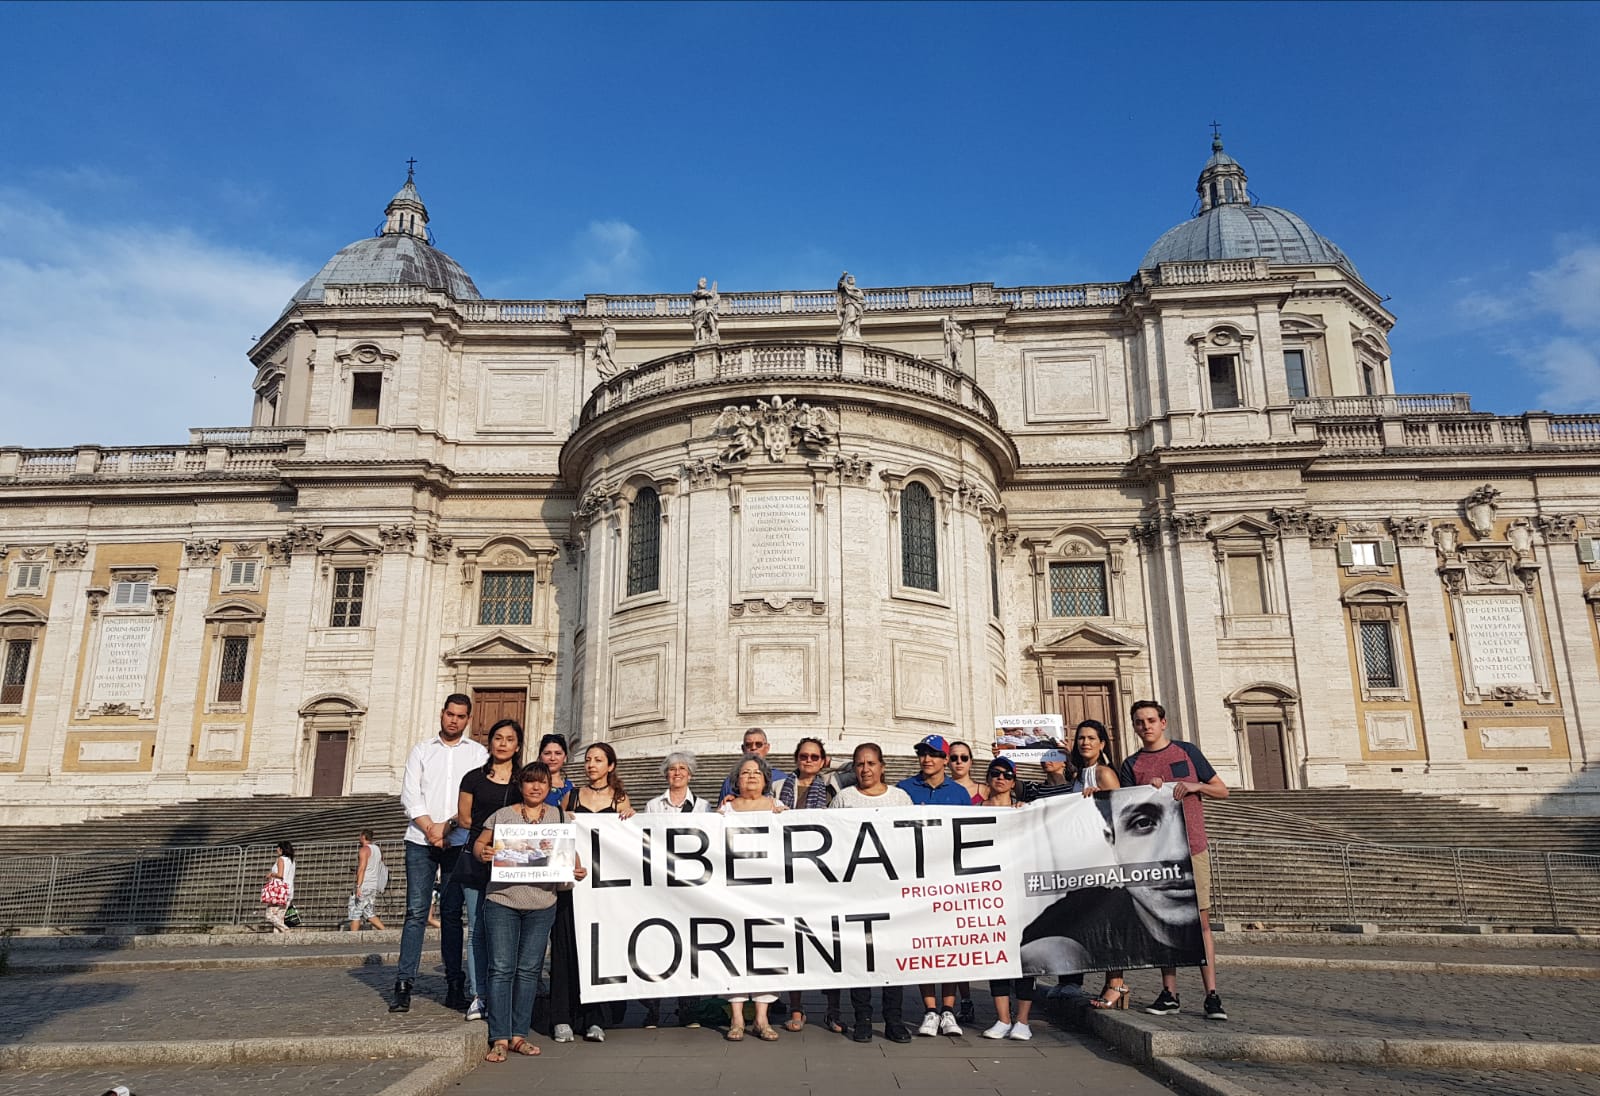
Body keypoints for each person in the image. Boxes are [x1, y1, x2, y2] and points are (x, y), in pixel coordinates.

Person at [1118, 700, 1228, 1021]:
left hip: (1193, 848)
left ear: (1163, 722)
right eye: (1140, 722)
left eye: (1151, 720)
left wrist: (1197, 786)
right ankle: (1170, 993)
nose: (1146, 726)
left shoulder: (1187, 752)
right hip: (1157, 854)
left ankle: (1212, 995)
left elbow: (1222, 790)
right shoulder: (1132, 764)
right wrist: (1146, 793)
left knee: (1202, 923)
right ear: (1135, 726)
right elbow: (1126, 810)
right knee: (1166, 923)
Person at [473, 762, 587, 1063]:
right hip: (503, 900)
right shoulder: (503, 815)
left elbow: (568, 850)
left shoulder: (558, 815)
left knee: (529, 970)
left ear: (550, 787)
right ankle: (499, 1037)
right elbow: (480, 844)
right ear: (520, 785)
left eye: (542, 783)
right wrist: (483, 853)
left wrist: (576, 868)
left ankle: (519, 1035)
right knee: (501, 968)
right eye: (530, 782)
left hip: (542, 902)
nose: (536, 787)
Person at [392, 694, 488, 1014]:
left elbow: (479, 797)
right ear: (441, 713)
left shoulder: (478, 754)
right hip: (420, 840)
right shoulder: (421, 750)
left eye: (461, 717)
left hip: (459, 843)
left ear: (468, 720)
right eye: (450, 714)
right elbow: (410, 793)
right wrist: (430, 828)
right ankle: (404, 983)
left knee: (450, 914)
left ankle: (454, 984)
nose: (454, 721)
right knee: (416, 912)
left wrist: (447, 828)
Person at [550, 742, 633, 1042]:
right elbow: (557, 833)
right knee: (565, 949)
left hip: (604, 890)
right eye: (587, 760)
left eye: (598, 760)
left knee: (598, 951)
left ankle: (594, 1018)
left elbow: (629, 842)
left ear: (610, 765)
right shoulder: (571, 797)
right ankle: (561, 1017)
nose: (591, 764)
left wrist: (632, 820)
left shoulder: (621, 799)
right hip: (573, 886)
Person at [832, 743, 912, 1043]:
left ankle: (894, 1020)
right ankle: (862, 1019)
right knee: (860, 957)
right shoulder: (844, 799)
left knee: (892, 956)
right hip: (856, 891)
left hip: (891, 890)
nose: (865, 769)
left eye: (870, 764)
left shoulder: (900, 799)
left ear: (882, 766)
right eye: (859, 764)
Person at [893, 735, 970, 1036]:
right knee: (923, 944)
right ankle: (929, 1009)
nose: (927, 759)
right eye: (923, 754)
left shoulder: (959, 793)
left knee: (949, 944)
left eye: (935, 755)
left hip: (948, 877)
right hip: (917, 878)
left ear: (945, 760)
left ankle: (948, 1010)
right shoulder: (904, 791)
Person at [454, 718, 525, 1023]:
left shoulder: (523, 780)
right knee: (477, 929)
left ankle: (506, 994)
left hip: (514, 862)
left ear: (518, 745)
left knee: (511, 929)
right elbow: (464, 817)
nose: (503, 743)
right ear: (490, 742)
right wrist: (488, 839)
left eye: (509, 739)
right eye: (498, 737)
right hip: (477, 856)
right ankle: (479, 994)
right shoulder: (473, 778)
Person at [771, 738, 842, 1033]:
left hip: (822, 875)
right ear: (796, 758)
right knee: (794, 942)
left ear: (824, 760)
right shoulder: (777, 788)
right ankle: (797, 1008)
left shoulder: (833, 789)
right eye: (803, 756)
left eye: (815, 756)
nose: (808, 760)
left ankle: (833, 1010)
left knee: (831, 942)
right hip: (789, 872)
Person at [641, 751, 710, 1028]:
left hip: (692, 886)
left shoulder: (704, 807)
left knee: (691, 944)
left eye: (682, 769)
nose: (677, 773)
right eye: (672, 769)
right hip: (661, 885)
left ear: (691, 775)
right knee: (658, 944)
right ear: (665, 774)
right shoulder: (653, 805)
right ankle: (653, 1007)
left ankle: (688, 1008)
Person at [721, 755, 783, 1041]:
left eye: (756, 772)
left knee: (766, 951)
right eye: (745, 773)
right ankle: (736, 1018)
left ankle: (761, 1018)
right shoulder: (726, 809)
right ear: (737, 780)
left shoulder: (777, 808)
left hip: (767, 891)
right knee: (732, 951)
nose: (751, 777)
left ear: (765, 778)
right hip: (734, 890)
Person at [1069, 719, 1129, 1010]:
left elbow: (1118, 811)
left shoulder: (1103, 773)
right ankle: (1110, 983)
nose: (1085, 743)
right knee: (1096, 923)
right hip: (1085, 856)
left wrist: (1100, 799)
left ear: (1103, 743)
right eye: (1081, 738)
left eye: (1092, 738)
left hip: (1105, 855)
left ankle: (1117, 984)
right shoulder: (1079, 775)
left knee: (1109, 922)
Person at [718, 727, 789, 799]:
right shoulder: (730, 782)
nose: (753, 748)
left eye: (758, 744)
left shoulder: (781, 778)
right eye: (748, 745)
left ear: (767, 748)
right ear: (743, 749)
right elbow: (721, 808)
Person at [348, 829, 388, 932]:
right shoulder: (378, 850)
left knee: (355, 911)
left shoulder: (364, 850)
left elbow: (362, 868)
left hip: (364, 884)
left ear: (363, 836)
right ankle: (385, 932)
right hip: (373, 884)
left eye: (360, 836)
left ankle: (353, 937)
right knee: (369, 912)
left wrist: (358, 886)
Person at [262, 840, 295, 933]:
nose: (276, 849)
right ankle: (277, 939)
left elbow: (280, 875)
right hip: (289, 891)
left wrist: (271, 874)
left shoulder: (281, 859)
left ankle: (286, 929)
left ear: (281, 849)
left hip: (279, 892)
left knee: (269, 915)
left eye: (278, 847)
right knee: (279, 918)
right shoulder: (292, 861)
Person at [539, 734, 575, 808]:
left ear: (565, 757)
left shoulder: (571, 787)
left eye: (558, 753)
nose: (552, 758)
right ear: (540, 757)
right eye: (547, 753)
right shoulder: (533, 785)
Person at [836, 271, 865, 340]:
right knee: (849, 318)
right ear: (847, 280)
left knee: (857, 320)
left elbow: (862, 299)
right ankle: (846, 333)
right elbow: (840, 284)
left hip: (858, 306)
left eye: (852, 279)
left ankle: (856, 332)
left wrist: (861, 303)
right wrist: (843, 276)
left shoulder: (858, 290)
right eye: (849, 278)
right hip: (849, 304)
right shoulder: (845, 287)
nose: (851, 279)